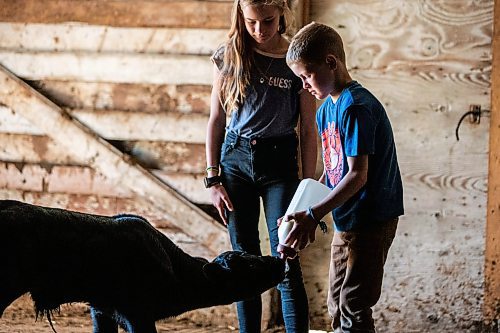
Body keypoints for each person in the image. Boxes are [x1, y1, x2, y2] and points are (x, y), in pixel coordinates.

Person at [282, 22, 404, 333]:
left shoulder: (356, 107)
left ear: (331, 62)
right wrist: (299, 218)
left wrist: (314, 214)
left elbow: (357, 176)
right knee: (336, 300)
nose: (305, 85)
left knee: (354, 302)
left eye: (307, 75)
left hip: (371, 218)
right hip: (346, 219)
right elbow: (331, 172)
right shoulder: (326, 112)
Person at [204, 0, 317, 332]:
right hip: (234, 162)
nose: (259, 30)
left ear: (281, 11)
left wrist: (305, 191)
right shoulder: (229, 55)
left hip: (279, 163)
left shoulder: (294, 59)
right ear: (241, 15)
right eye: (251, 22)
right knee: (244, 262)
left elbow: (308, 129)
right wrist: (213, 178)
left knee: (286, 257)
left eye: (267, 21)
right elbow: (216, 119)